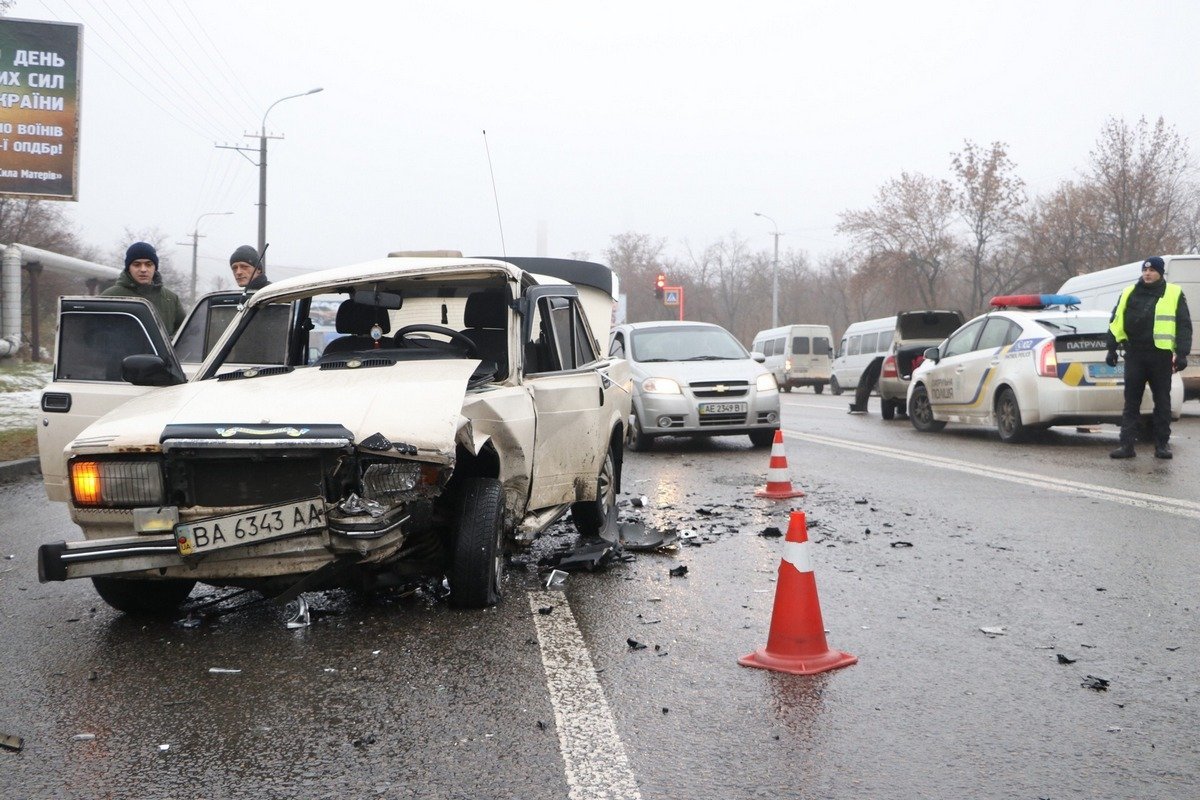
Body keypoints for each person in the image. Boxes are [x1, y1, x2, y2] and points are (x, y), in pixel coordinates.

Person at [1106, 256, 1192, 459]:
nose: (1147, 273)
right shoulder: (1129, 292)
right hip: (1135, 354)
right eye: (1145, 270)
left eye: (1152, 270)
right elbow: (1115, 321)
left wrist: (1181, 353)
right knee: (1131, 402)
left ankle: (1162, 445)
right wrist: (1111, 348)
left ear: (1160, 273)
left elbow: (1184, 325)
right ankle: (1126, 446)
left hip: (1160, 355)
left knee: (1162, 401)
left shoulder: (1173, 293)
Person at [101, 241, 185, 334]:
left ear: (155, 268)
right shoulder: (110, 297)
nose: (143, 269)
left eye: (149, 264)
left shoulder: (170, 299)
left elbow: (185, 334)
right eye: (137, 264)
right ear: (129, 268)